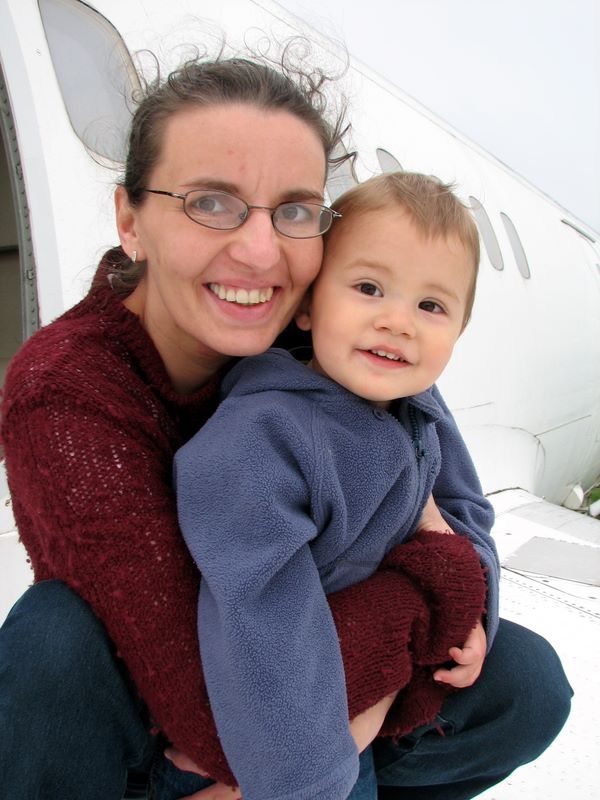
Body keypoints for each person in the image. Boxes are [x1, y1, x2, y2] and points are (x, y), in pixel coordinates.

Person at [0, 46, 571, 800]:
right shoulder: (68, 392)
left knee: (525, 682)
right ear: (130, 220)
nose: (260, 251)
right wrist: (438, 590)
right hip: (185, 722)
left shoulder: (340, 338)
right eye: (211, 201)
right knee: (54, 635)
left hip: (322, 670)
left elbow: (461, 511)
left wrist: (466, 590)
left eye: (295, 210)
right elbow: (213, 707)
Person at [172, 171, 492, 800]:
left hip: (356, 696)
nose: (398, 322)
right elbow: (258, 616)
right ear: (309, 304)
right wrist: (305, 781)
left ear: (458, 331)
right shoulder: (264, 435)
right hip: (277, 733)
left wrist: (471, 612)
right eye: (369, 288)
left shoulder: (417, 407)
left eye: (431, 306)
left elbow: (464, 510)